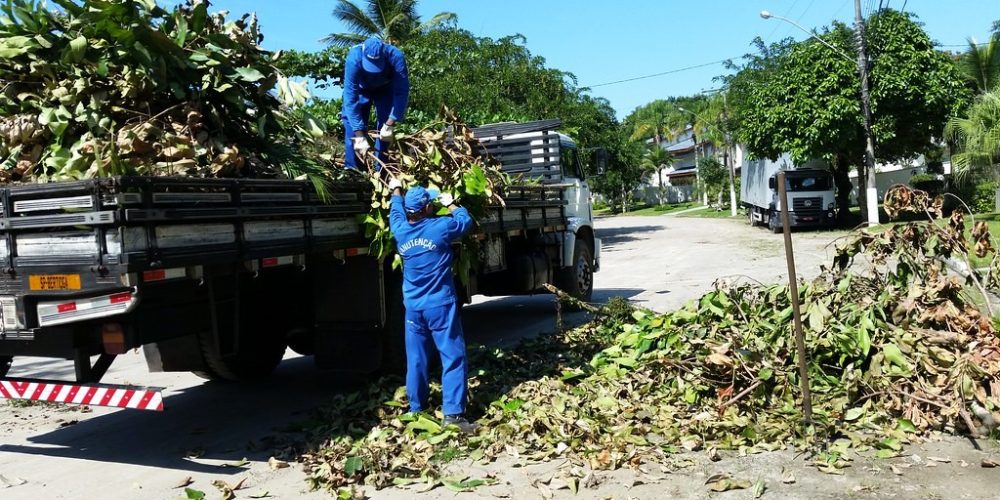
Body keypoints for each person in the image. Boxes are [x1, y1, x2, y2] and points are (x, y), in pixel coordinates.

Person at [387, 177, 476, 433]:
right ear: (427, 208)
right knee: (453, 356)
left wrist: (395, 190)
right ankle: (453, 415)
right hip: (440, 305)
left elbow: (395, 212)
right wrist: (452, 204)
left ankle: (416, 411)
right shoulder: (439, 228)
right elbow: (465, 222)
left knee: (416, 359)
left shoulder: (400, 230)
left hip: (413, 308)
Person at [341, 36, 409, 170]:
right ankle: (353, 170)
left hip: (385, 88)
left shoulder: (396, 56)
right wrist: (360, 136)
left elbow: (401, 92)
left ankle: (382, 170)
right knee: (352, 128)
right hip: (361, 89)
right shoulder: (354, 58)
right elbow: (350, 99)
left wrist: (391, 122)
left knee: (384, 130)